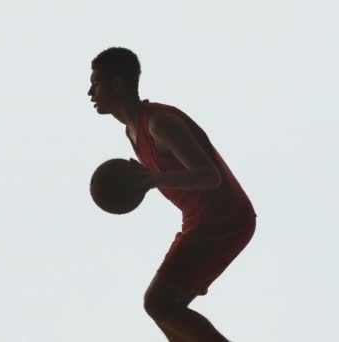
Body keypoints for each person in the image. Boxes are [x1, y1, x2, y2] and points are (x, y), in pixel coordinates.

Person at [87, 47, 257, 342]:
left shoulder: (158, 123)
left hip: (222, 219)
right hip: (202, 221)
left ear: (117, 83)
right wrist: (149, 179)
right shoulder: (133, 132)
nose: (90, 91)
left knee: (158, 303)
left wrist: (154, 179)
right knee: (164, 309)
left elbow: (210, 176)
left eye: (96, 83)